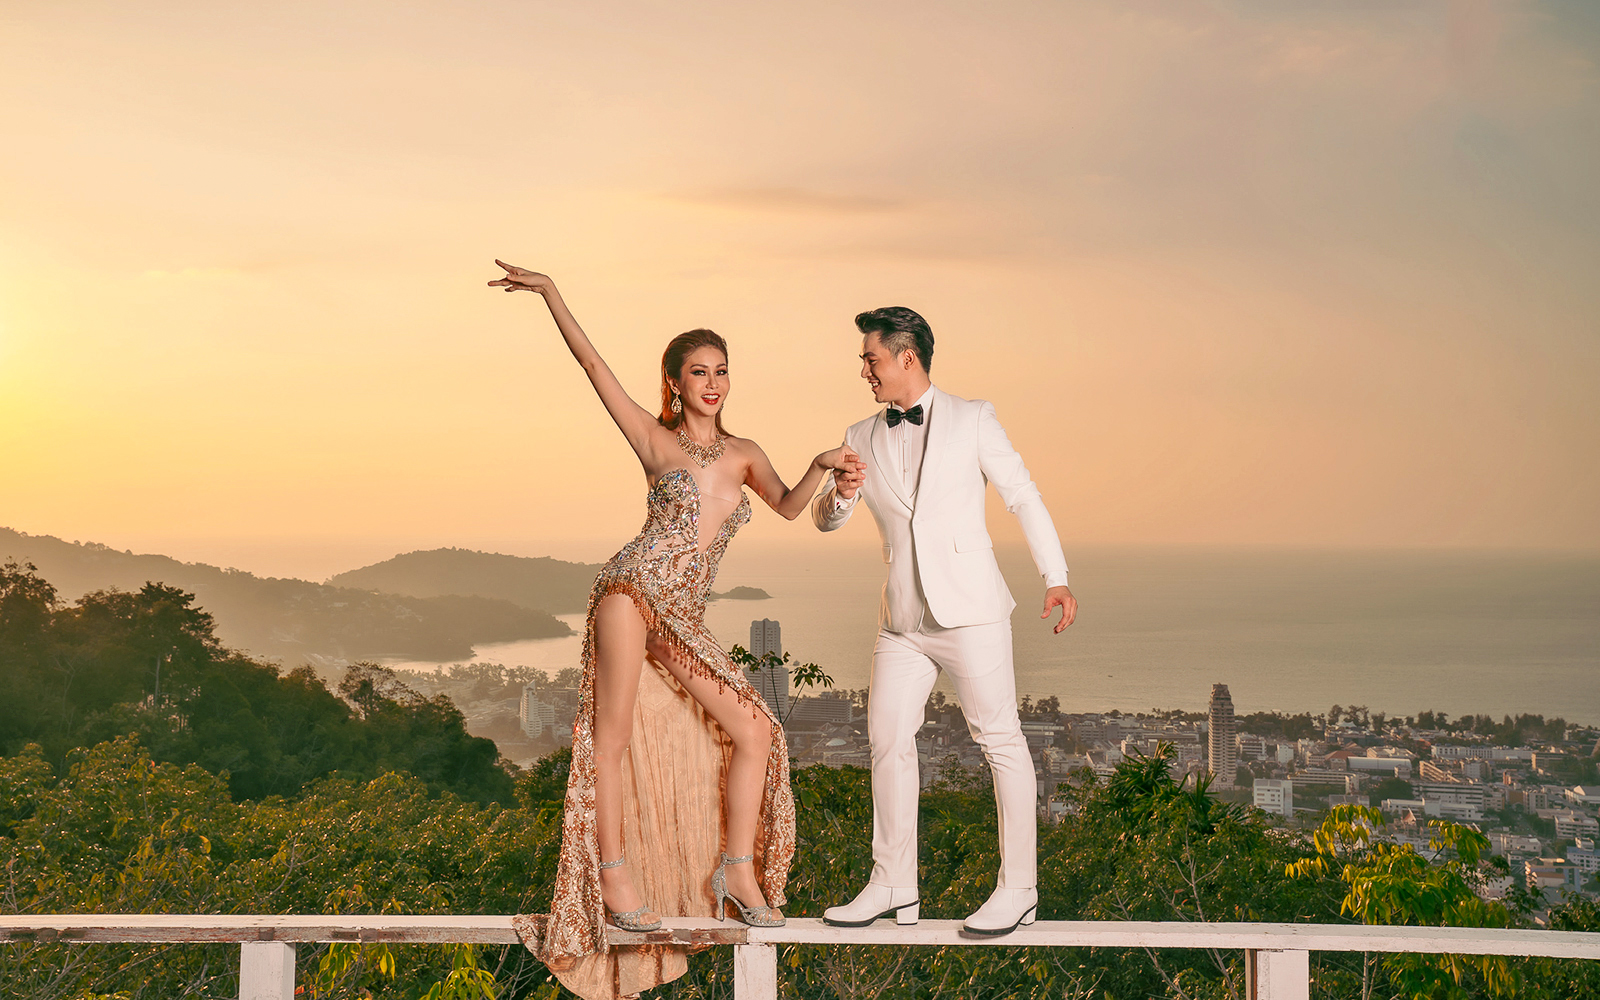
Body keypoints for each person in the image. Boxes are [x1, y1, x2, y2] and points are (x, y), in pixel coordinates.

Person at [490, 261, 865, 999]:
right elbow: (593, 366)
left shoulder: (745, 453)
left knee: (756, 730)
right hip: (631, 594)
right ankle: (615, 879)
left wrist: (825, 464)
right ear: (675, 383)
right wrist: (552, 294)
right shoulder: (654, 442)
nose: (715, 383)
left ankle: (734, 871)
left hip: (683, 616)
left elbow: (790, 508)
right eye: (700, 372)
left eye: (722, 371)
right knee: (615, 736)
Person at [811, 306, 1076, 937]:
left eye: (871, 358)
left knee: (1000, 742)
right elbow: (824, 519)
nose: (865, 370)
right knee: (886, 740)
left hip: (972, 613)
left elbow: (1022, 493)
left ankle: (1019, 890)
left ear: (906, 356)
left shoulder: (973, 417)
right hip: (902, 619)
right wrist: (843, 492)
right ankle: (893, 884)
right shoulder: (858, 433)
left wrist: (1056, 577)